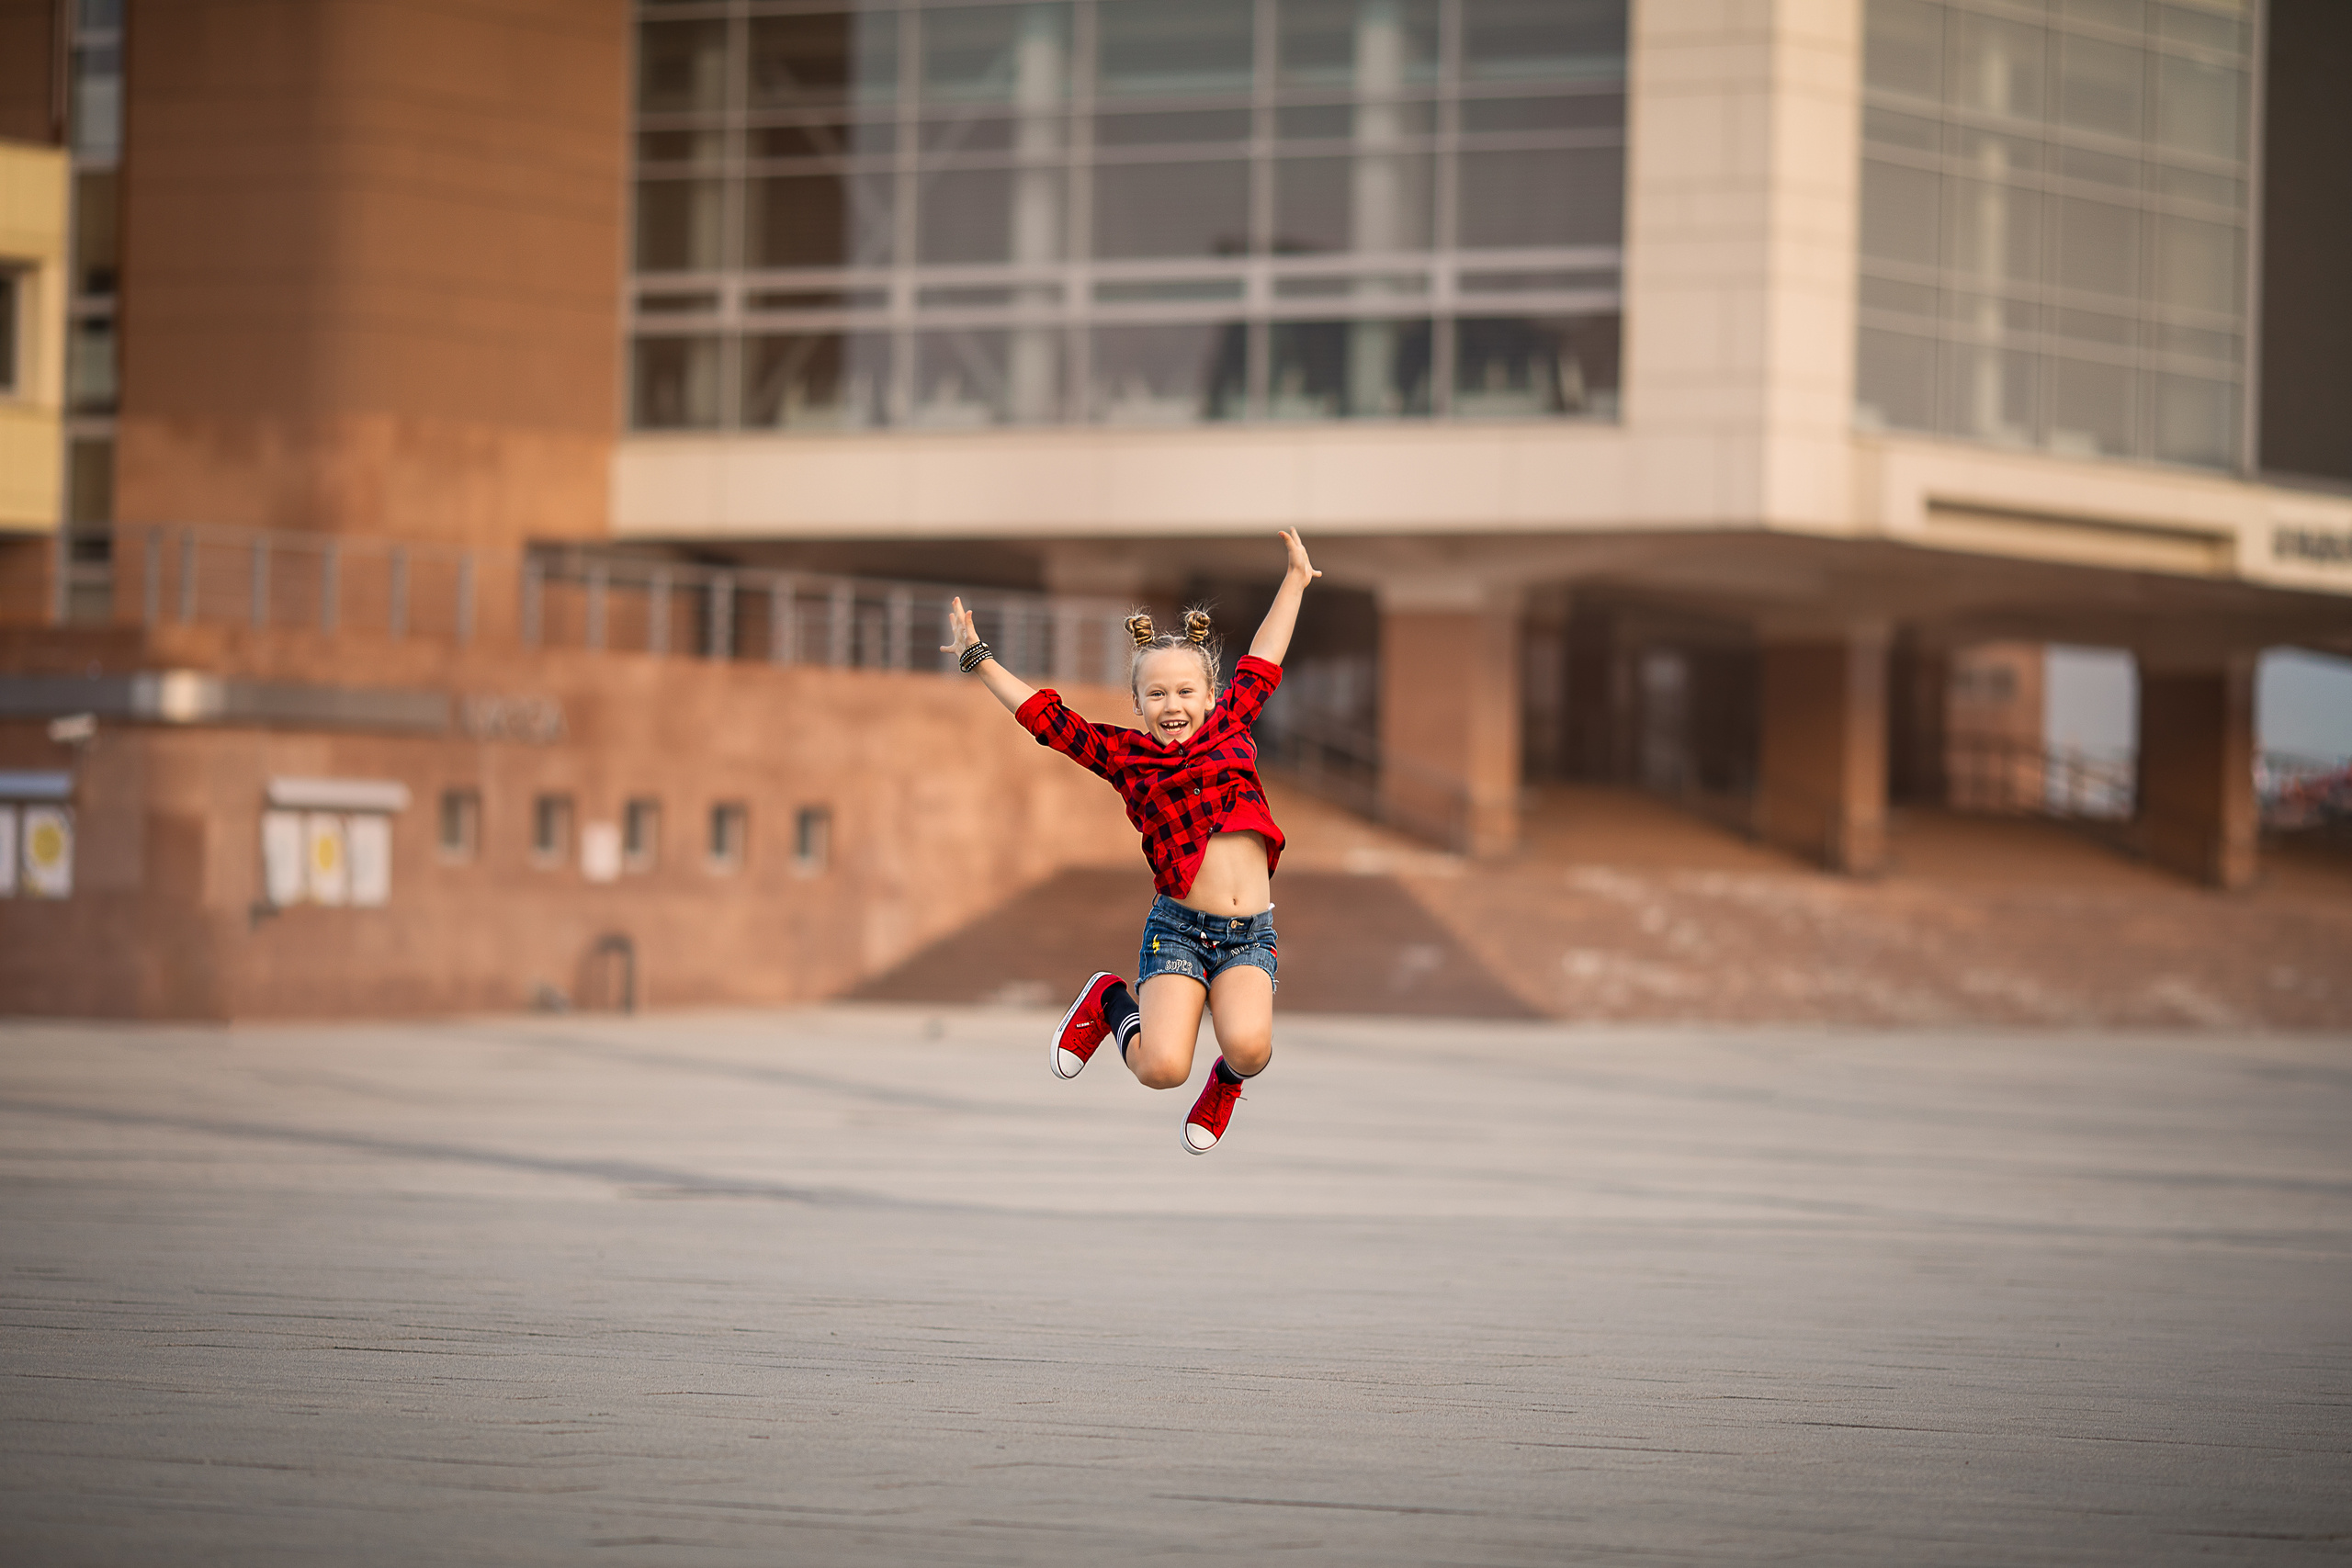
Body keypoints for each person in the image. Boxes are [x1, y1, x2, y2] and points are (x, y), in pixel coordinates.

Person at [941, 530, 1320, 1154]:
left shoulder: (1233, 724)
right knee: (1161, 1069)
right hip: (1177, 928)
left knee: (1250, 1049)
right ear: (1139, 703)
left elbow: (1266, 654)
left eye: (1186, 692)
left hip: (1250, 932)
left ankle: (1224, 1083)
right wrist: (978, 656)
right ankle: (1108, 998)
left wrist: (1296, 580)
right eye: (1157, 694)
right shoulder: (1127, 756)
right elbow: (1046, 719)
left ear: (1210, 694)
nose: (1173, 704)